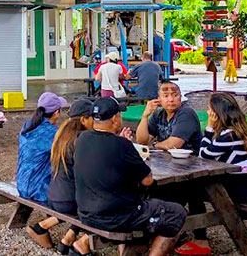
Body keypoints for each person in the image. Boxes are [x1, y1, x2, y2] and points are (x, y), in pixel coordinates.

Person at [73, 97, 186, 256]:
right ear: (114, 119)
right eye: (119, 115)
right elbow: (148, 180)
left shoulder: (82, 139)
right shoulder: (121, 145)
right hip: (118, 217)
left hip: (86, 213)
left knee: (145, 205)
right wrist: (127, 148)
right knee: (176, 212)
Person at [176, 93, 247, 256]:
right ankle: (184, 230)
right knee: (195, 188)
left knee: (192, 191)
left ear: (217, 113)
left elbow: (203, 155)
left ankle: (196, 238)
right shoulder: (241, 130)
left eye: (209, 110)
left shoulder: (228, 135)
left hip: (245, 191)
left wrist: (210, 127)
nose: (207, 112)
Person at [135, 82, 204, 254]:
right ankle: (162, 229)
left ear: (181, 97)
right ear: (159, 99)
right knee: (150, 187)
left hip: (192, 166)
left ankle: (198, 236)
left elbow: (175, 143)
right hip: (169, 166)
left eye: (174, 95)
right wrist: (145, 116)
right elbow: (142, 140)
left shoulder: (186, 113)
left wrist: (156, 145)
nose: (171, 99)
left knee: (177, 191)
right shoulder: (158, 114)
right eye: (166, 96)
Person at [25, 97, 94, 253]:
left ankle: (66, 237)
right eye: (93, 118)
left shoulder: (61, 133)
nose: (95, 122)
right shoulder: (81, 140)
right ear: (84, 120)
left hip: (53, 194)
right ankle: (74, 241)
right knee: (95, 204)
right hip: (68, 200)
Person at [16, 92, 68, 203]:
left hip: (22, 183)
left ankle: (48, 220)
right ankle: (49, 220)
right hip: (38, 190)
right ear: (56, 113)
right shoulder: (53, 133)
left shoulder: (27, 125)